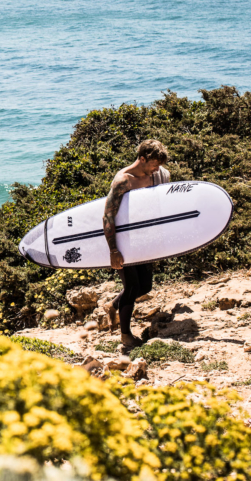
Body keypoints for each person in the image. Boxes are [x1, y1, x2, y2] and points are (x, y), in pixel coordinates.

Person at [102, 140, 171, 347]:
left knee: (145, 286)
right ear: (142, 159)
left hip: (143, 239)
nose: (157, 169)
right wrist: (113, 249)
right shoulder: (123, 180)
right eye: (154, 164)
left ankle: (113, 305)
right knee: (132, 287)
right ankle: (125, 335)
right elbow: (107, 216)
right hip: (124, 240)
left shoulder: (156, 176)